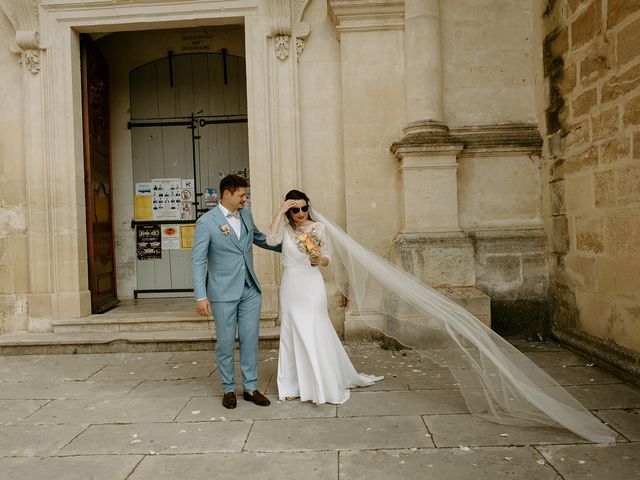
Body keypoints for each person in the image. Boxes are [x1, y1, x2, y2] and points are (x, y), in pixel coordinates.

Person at [266, 190, 383, 404]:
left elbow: (328, 256)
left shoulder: (318, 227)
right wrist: (279, 211)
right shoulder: (285, 229)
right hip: (291, 284)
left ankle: (320, 382)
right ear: (289, 211)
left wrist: (320, 260)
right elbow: (271, 239)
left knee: (315, 327)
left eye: (304, 208)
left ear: (308, 206)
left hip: (311, 282)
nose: (300, 213)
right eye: (295, 209)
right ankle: (291, 385)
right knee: (291, 331)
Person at [191, 174, 281, 409]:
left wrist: (293, 246)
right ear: (227, 194)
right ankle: (228, 388)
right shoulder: (207, 222)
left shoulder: (247, 215)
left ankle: (250, 388)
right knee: (225, 342)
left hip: (250, 289)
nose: (245, 198)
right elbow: (198, 261)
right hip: (222, 292)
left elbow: (260, 239)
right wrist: (201, 295)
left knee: (250, 340)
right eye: (242, 194)